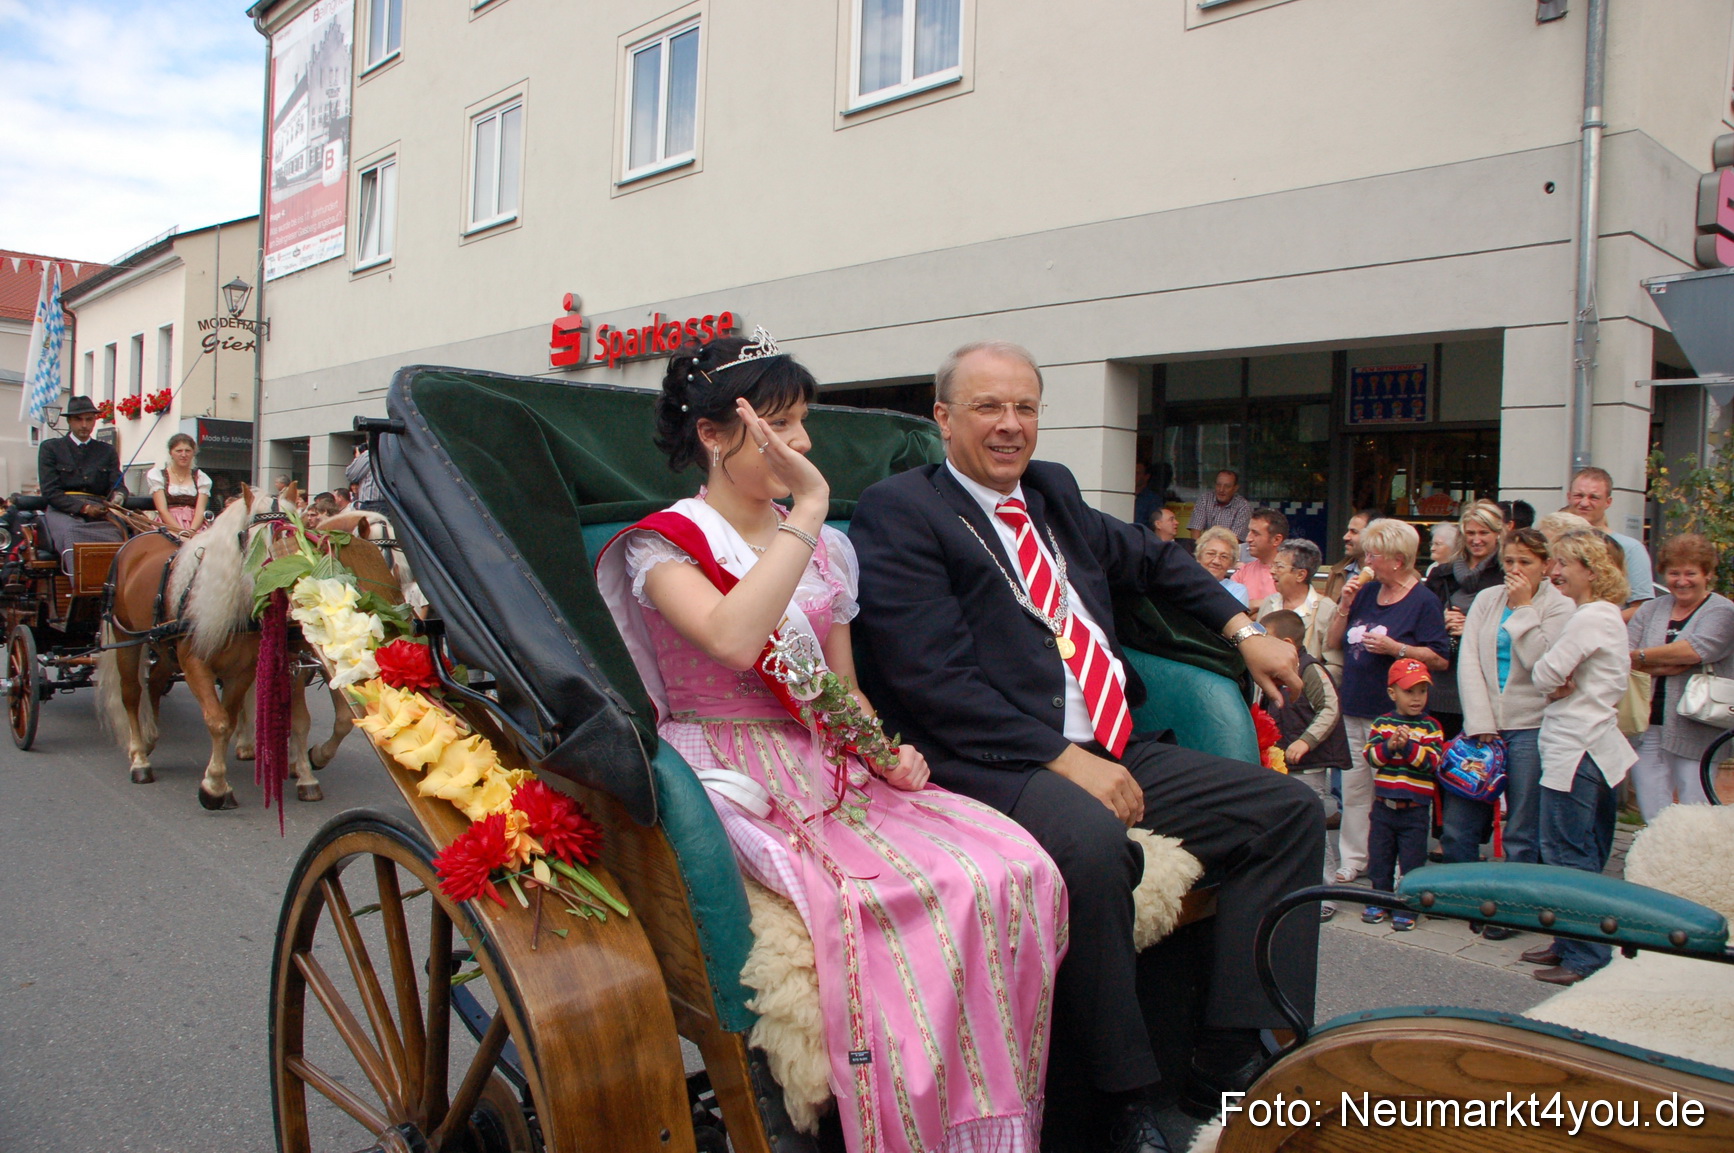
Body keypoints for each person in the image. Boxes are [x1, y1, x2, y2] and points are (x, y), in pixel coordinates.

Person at [597, 334, 1065, 1153]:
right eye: (779, 425)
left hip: (827, 758)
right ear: (714, 435)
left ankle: (986, 1120)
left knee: (1013, 863)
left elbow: (840, 688)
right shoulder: (663, 544)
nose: (801, 445)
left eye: (802, 423)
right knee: (875, 899)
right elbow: (737, 641)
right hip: (729, 766)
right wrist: (808, 512)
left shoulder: (830, 552)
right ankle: (894, 1121)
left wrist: (885, 750)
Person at [852, 340, 1320, 1148]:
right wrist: (1061, 758)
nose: (1009, 426)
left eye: (1025, 407)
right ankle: (1123, 1100)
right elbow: (930, 680)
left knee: (1288, 811)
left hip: (1111, 743)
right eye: (988, 407)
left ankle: (1231, 1054)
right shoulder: (902, 510)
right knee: (1096, 847)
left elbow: (1156, 560)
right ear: (944, 419)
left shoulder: (1053, 492)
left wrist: (1243, 629)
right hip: (988, 761)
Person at [1523, 531, 1638, 986]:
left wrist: (1553, 676)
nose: (1554, 571)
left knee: (1568, 854)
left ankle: (1585, 955)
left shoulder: (1592, 618)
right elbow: (1554, 674)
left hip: (1577, 747)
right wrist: (1555, 676)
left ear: (1590, 569)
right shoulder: (1594, 616)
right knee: (1576, 850)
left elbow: (1544, 672)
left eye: (1564, 563)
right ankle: (1569, 941)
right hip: (1586, 746)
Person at [1324, 518, 1450, 885]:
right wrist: (1345, 604)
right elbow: (1334, 642)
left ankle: (1395, 863)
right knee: (1355, 786)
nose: (1366, 561)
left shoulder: (1423, 600)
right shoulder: (1365, 591)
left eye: (1373, 554)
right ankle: (1354, 858)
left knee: (1394, 789)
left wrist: (1398, 649)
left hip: (1396, 715)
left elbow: (1440, 658)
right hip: (1356, 703)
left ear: (1397, 559)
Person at [1455, 528, 1575, 880]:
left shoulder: (1560, 606)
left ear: (1546, 565)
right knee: (1463, 819)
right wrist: (1479, 721)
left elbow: (1543, 664)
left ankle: (1513, 904)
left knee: (1522, 823)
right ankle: (1460, 893)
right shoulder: (1488, 598)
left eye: (1526, 561)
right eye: (1509, 561)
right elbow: (1470, 660)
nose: (1516, 569)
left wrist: (1523, 608)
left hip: (1531, 724)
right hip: (1484, 723)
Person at [1627, 534, 1734, 821]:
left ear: (1707, 574)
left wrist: (1645, 657)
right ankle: (1655, 861)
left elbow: (1695, 651)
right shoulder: (1651, 609)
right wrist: (1663, 661)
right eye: (1674, 573)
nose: (1682, 581)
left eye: (1691, 573)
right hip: (1647, 723)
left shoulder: (1722, 611)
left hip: (1697, 727)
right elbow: (1624, 655)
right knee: (1651, 805)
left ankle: (1696, 863)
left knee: (1695, 807)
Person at [1262, 608, 1351, 918]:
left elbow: (1330, 708)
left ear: (1287, 643)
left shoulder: (1311, 670)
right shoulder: (1270, 671)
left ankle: (1325, 893)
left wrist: (1306, 741)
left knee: (1314, 826)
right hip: (1279, 761)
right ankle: (1289, 887)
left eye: (1266, 639)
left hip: (1308, 766)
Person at [1360, 659, 1445, 931]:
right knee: (1380, 856)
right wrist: (1390, 745)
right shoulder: (1383, 723)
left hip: (1415, 809)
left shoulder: (1431, 727)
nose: (1417, 698)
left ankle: (1408, 905)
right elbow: (1371, 756)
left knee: (1412, 860)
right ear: (1392, 693)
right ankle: (1379, 899)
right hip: (1384, 806)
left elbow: (1432, 762)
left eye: (1422, 691)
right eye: (1410, 691)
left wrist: (1407, 747)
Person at [1423, 500, 1507, 737]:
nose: (1476, 539)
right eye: (1470, 533)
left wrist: (1472, 627)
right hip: (1441, 684)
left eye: (1484, 532)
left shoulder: (1505, 576)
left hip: (1483, 686)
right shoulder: (1441, 574)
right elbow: (1421, 621)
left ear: (1498, 534)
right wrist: (1442, 622)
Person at [35, 394, 127, 556]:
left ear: (94, 421)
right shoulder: (51, 448)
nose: (84, 425)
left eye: (89, 419)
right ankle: (79, 580)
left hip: (99, 510)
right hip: (62, 510)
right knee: (73, 533)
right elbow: (50, 491)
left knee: (118, 533)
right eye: (79, 419)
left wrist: (118, 496)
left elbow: (117, 484)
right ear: (69, 421)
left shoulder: (107, 451)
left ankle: (113, 580)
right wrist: (84, 508)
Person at [1566, 466, 1653, 609]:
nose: (1584, 503)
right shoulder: (1554, 543)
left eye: (1594, 497)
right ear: (1569, 497)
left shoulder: (1630, 549)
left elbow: (1641, 609)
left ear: (1608, 502)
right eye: (1578, 495)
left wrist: (1600, 620)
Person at [1255, 539, 1338, 670]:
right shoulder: (1269, 603)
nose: (1272, 571)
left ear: (1300, 575)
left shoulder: (1326, 610)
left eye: (1279, 566)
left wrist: (1310, 681)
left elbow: (1334, 664)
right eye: (1273, 565)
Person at [146, 432, 211, 538]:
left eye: (188, 451)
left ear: (193, 453)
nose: (184, 455)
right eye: (179, 451)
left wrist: (191, 531)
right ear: (171, 453)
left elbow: (200, 510)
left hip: (195, 526)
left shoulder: (201, 478)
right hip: (168, 525)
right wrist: (181, 532)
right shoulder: (158, 475)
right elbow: (162, 510)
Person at [1323, 508, 1381, 601]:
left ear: (1373, 536)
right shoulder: (1337, 573)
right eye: (1348, 531)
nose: (1345, 537)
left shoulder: (1387, 576)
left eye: (1354, 532)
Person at [1235, 508, 1286, 605]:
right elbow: (1231, 611)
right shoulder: (1242, 572)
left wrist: (1254, 605)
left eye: (1256, 534)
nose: (1248, 539)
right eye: (1249, 532)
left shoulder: (1291, 575)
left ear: (1276, 540)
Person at [1187, 468, 1252, 541]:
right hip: (1205, 548)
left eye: (1227, 486)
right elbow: (1195, 530)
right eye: (1218, 485)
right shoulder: (1205, 500)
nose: (1221, 490)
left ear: (1235, 488)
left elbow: (1235, 540)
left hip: (1230, 549)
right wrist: (1200, 549)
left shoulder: (1243, 506)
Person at [1195, 525, 1250, 607]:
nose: (1216, 561)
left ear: (1231, 563)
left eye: (1224, 556)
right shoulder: (1185, 585)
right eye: (1211, 554)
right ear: (1199, 557)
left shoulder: (1237, 591)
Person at [347, 443, 384, 510]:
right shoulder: (391, 453)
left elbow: (350, 474)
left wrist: (358, 458)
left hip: (372, 504)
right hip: (388, 503)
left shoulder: (370, 454)